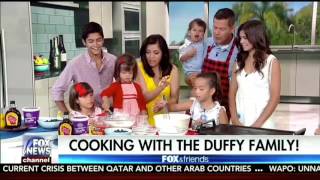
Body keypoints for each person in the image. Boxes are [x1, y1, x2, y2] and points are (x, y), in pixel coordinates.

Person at [52, 22, 116, 113]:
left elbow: (123, 84)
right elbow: (57, 90)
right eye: (91, 41)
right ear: (84, 42)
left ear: (103, 39)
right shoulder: (75, 64)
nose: (96, 45)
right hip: (85, 116)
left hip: (109, 112)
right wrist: (66, 115)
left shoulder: (113, 60)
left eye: (99, 40)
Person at [229, 20, 281, 128]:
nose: (242, 41)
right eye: (240, 38)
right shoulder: (238, 63)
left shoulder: (272, 62)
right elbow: (232, 93)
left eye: (245, 38)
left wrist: (257, 125)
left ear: (256, 37)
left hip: (263, 123)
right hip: (239, 121)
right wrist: (234, 119)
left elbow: (275, 98)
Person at [136, 34, 180, 126]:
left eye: (156, 53)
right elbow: (144, 98)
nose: (151, 56)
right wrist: (161, 88)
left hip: (164, 123)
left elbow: (174, 99)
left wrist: (165, 103)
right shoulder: (138, 68)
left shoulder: (173, 70)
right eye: (148, 52)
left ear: (163, 53)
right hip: (143, 124)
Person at [202, 8, 238, 119]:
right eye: (215, 27)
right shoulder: (206, 44)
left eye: (222, 29)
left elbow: (236, 89)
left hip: (223, 108)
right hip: (201, 104)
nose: (216, 32)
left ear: (232, 29)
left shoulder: (239, 50)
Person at [179, 18, 207, 87]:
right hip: (190, 72)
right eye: (194, 30)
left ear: (203, 34)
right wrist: (188, 55)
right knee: (195, 82)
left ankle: (200, 95)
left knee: (205, 83)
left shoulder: (204, 44)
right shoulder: (186, 45)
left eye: (200, 31)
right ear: (189, 32)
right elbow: (181, 58)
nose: (197, 33)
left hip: (202, 71)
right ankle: (195, 96)